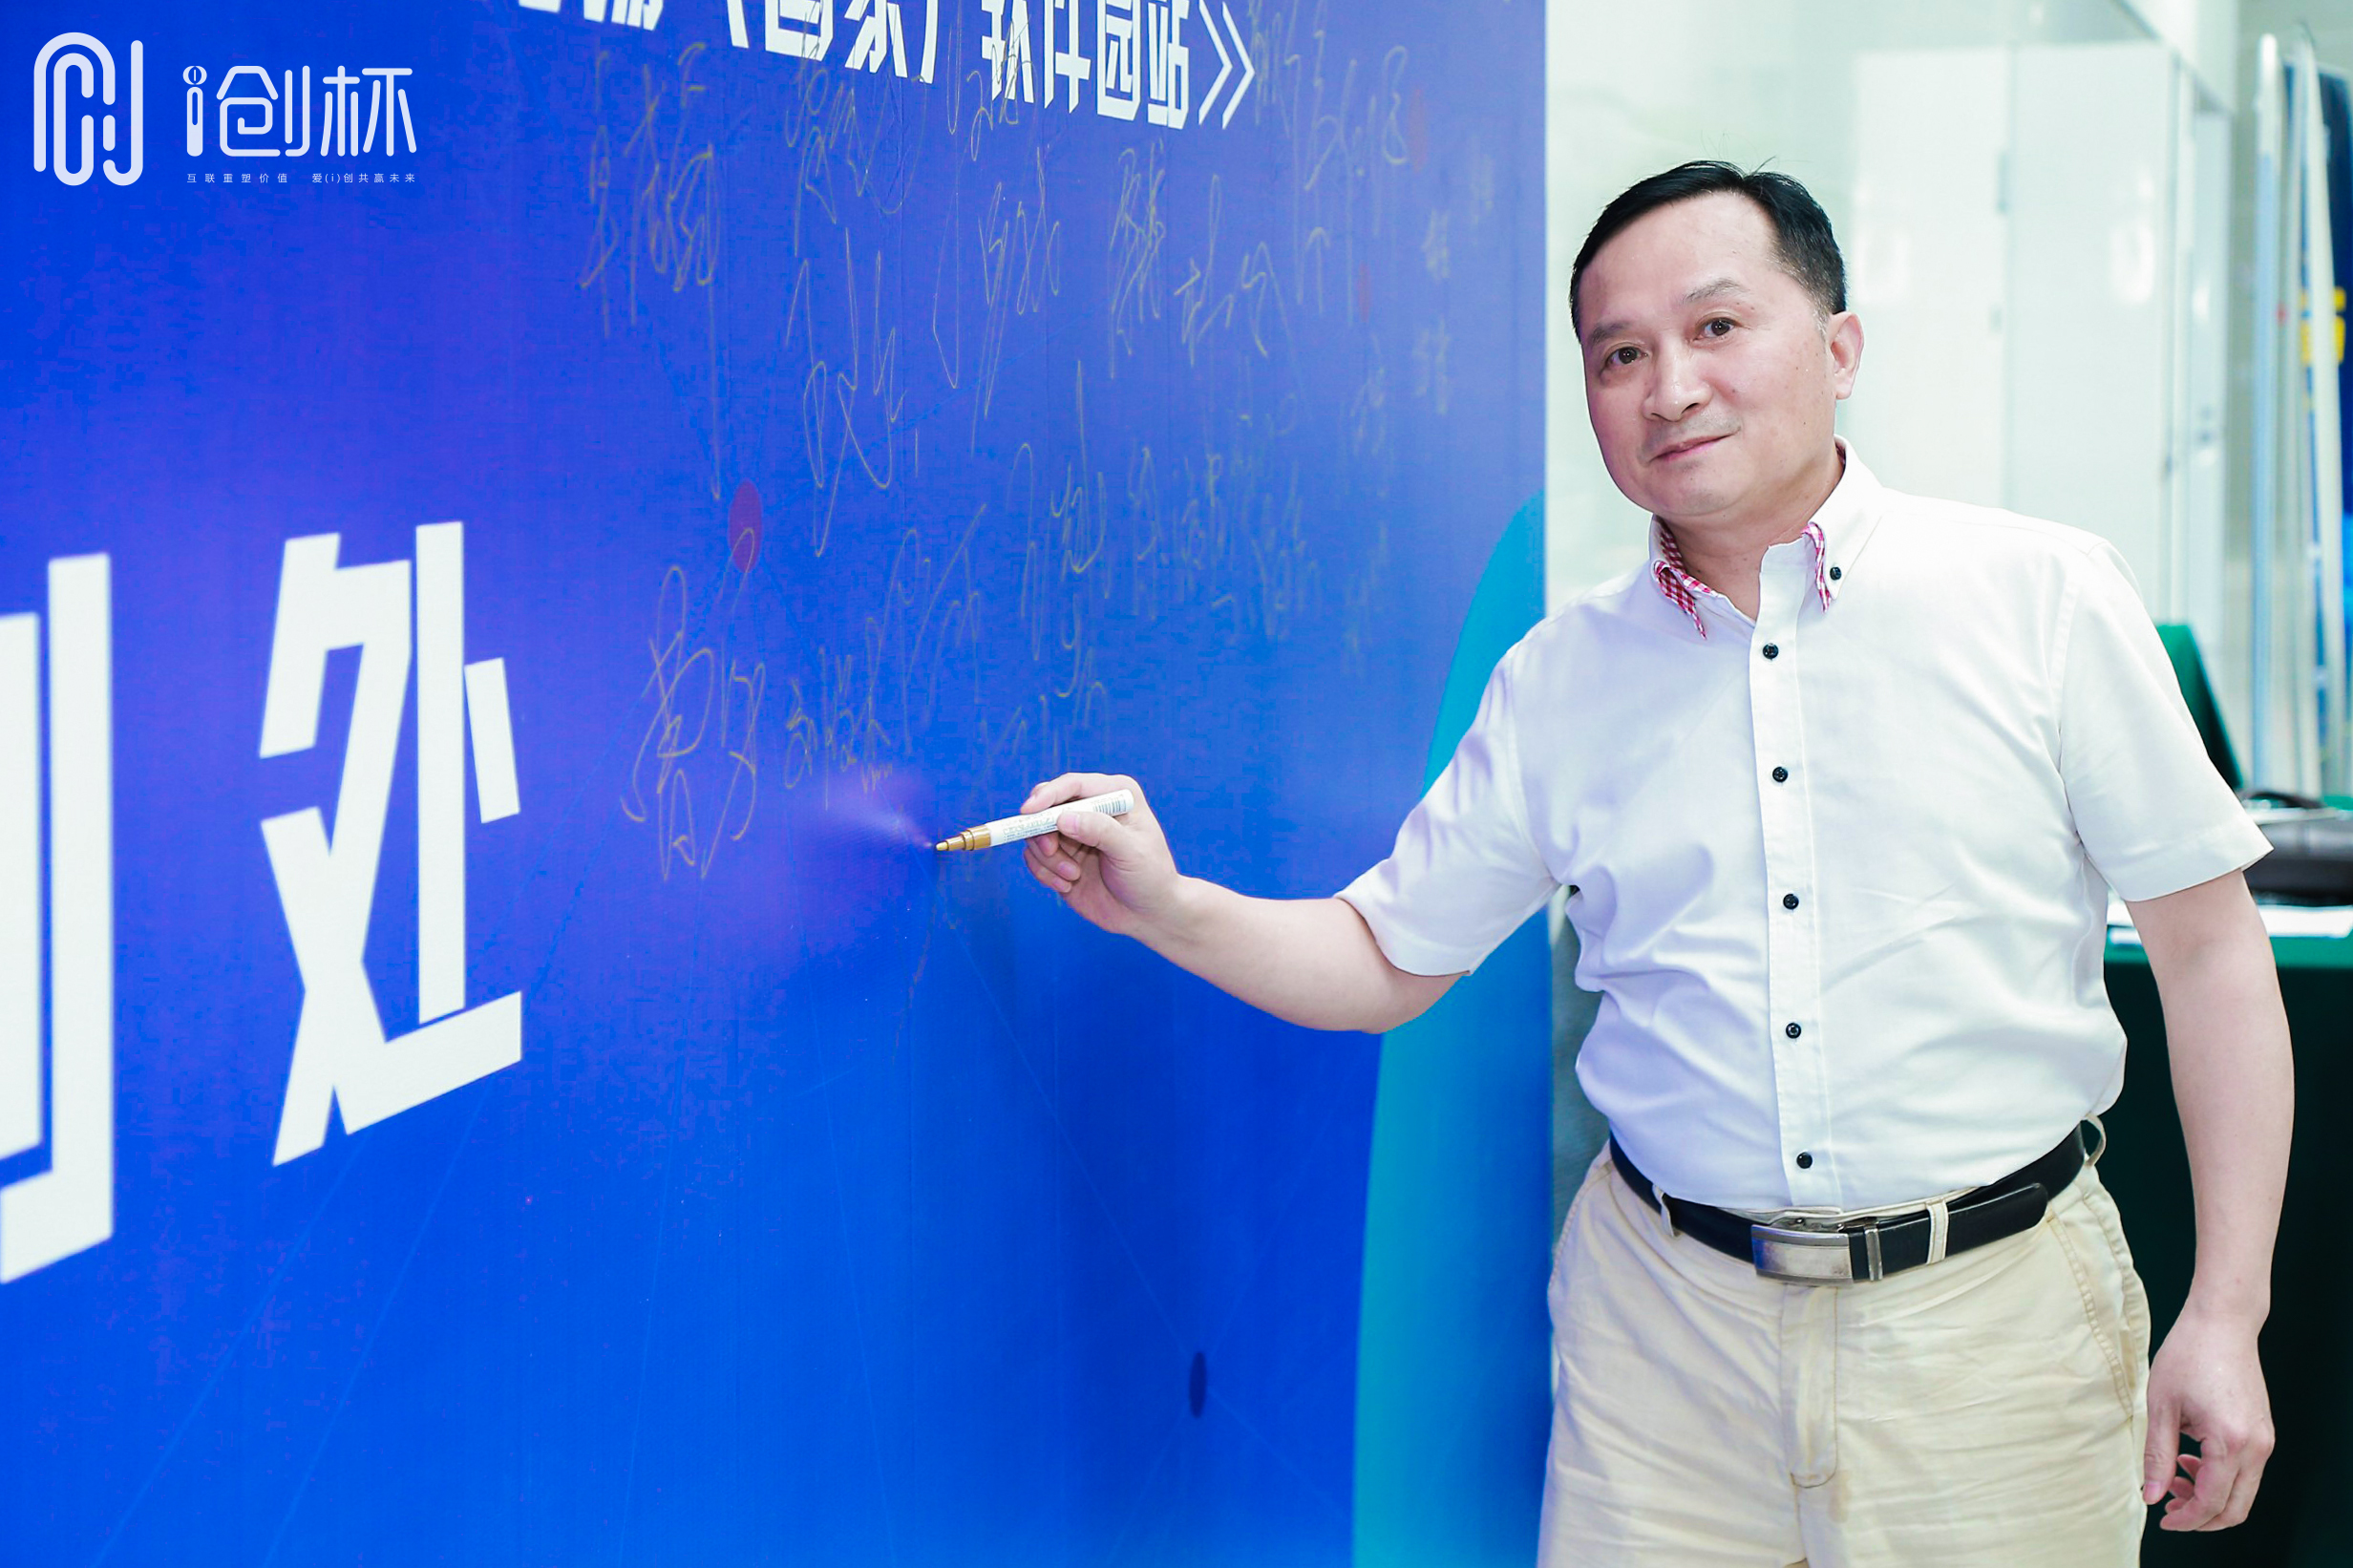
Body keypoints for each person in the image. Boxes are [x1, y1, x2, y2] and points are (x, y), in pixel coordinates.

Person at [1013, 160, 2291, 1564]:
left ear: (1841, 349)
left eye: (1717, 327)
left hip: (1992, 1333)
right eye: (1619, 354)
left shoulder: (2040, 597)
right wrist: (1168, 906)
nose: (1670, 386)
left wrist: (2226, 1313)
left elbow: (2211, 954)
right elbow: (1385, 957)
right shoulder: (1561, 678)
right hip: (1664, 1346)